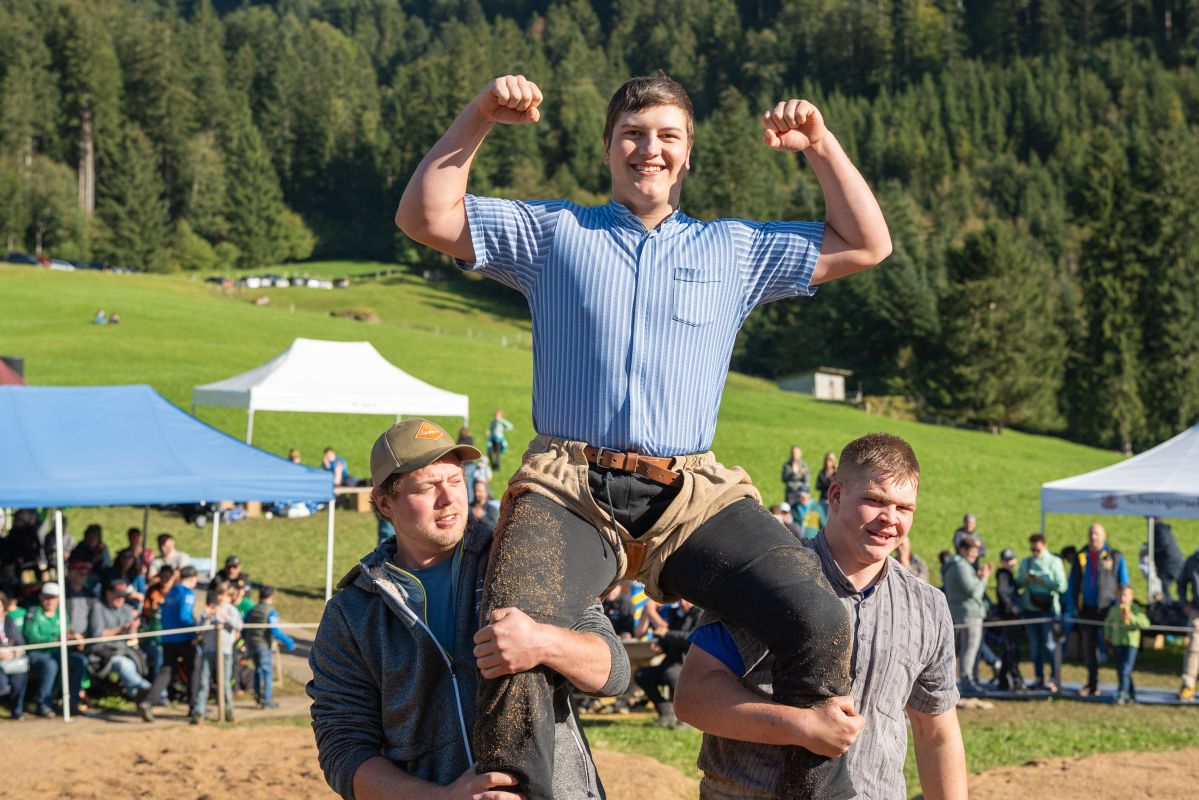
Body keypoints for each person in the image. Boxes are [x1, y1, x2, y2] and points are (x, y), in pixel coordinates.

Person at [397, 70, 892, 798]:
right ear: (607, 148)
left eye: (667, 136)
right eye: (632, 134)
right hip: (568, 484)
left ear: (688, 153)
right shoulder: (553, 233)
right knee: (510, 627)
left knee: (817, 612)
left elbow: (866, 242)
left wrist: (819, 144)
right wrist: (479, 115)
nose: (648, 149)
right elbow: (425, 216)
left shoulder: (735, 249)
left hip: (691, 491)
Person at [308, 418, 631, 800]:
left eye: (456, 480)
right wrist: (443, 798)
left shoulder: (527, 561)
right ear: (384, 502)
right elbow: (345, 750)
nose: (448, 499)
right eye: (427, 487)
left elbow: (614, 673)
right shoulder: (351, 615)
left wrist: (543, 643)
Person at [674, 433, 966, 800]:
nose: (890, 519)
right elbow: (694, 695)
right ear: (836, 496)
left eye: (904, 508)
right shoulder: (766, 576)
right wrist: (804, 727)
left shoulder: (928, 606)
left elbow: (935, 732)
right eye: (875, 500)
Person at [1068, 523, 1130, 697]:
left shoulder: (1115, 557)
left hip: (1109, 609)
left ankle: (1123, 687)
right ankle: (1092, 684)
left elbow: (1124, 582)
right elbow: (1072, 583)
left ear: (1104, 536)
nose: (1093, 537)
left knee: (1116, 648)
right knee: (1089, 648)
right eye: (1091, 534)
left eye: (1096, 534)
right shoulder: (1081, 556)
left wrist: (1122, 605)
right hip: (1087, 609)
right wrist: (1073, 605)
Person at [22, 582, 89, 717]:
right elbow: (32, 637)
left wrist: (74, 640)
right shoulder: (33, 612)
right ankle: (43, 704)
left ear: (58, 599)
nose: (50, 601)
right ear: (41, 597)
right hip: (37, 653)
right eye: (47, 597)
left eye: (53, 598)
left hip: (59, 652)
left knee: (79, 661)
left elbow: (66, 633)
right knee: (51, 665)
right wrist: (55, 639)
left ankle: (72, 702)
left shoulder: (62, 613)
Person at [145, 564, 201, 722]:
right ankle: (194, 707)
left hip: (168, 638)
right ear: (193, 579)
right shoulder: (187, 593)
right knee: (194, 669)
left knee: (166, 670)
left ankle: (148, 702)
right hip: (183, 639)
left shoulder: (171, 592)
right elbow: (184, 616)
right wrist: (193, 634)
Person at [633, 598, 702, 727]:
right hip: (671, 663)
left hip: (689, 665)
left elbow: (692, 639)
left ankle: (687, 717)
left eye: (686, 600)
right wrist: (661, 646)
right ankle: (666, 711)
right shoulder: (676, 614)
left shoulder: (700, 614)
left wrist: (667, 633)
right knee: (641, 675)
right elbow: (668, 638)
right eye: (680, 600)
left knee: (671, 674)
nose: (683, 603)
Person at [85, 579, 152, 707]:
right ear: (108, 593)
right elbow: (97, 636)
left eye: (123, 596)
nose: (121, 599)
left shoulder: (126, 609)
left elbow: (131, 638)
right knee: (123, 663)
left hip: (124, 649)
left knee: (137, 660)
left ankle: (141, 696)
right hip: (102, 652)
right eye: (117, 595)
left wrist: (131, 630)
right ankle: (150, 691)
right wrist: (120, 630)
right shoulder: (98, 607)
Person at [942, 534, 993, 695]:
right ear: (963, 550)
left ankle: (972, 680)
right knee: (970, 649)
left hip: (967, 612)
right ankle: (967, 681)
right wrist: (984, 579)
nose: (975, 555)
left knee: (972, 648)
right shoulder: (961, 566)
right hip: (968, 614)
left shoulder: (959, 565)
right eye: (973, 551)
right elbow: (973, 591)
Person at [1017, 533, 1066, 692]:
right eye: (1032, 549)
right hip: (1030, 610)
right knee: (1035, 646)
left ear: (1045, 546)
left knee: (1050, 645)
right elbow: (1017, 582)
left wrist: (1043, 581)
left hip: (1049, 611)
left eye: (1037, 550)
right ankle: (1039, 678)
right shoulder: (1026, 562)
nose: (1035, 553)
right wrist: (1026, 579)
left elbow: (1062, 585)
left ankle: (1055, 678)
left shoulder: (1054, 562)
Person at [195, 581, 242, 723]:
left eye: (225, 595)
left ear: (230, 597)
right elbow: (200, 629)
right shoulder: (210, 608)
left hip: (225, 651)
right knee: (204, 681)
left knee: (225, 682)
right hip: (208, 649)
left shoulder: (232, 610)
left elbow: (239, 625)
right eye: (219, 594)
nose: (221, 597)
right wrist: (206, 616)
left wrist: (225, 616)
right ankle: (199, 712)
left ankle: (228, 711)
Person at [244, 584, 295, 709]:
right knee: (267, 672)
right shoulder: (270, 611)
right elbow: (274, 630)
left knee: (258, 669)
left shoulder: (252, 610)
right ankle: (267, 699)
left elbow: (244, 626)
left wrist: (245, 640)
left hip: (251, 644)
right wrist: (288, 642)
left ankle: (258, 696)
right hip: (263, 645)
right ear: (271, 596)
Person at [1103, 585, 1150, 704]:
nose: (1123, 598)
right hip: (1117, 642)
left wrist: (1131, 617)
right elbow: (1108, 623)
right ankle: (1131, 693)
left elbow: (1145, 623)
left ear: (1131, 597)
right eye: (1120, 595)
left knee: (1126, 669)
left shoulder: (1135, 609)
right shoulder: (1114, 610)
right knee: (1121, 670)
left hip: (1131, 644)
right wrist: (1108, 635)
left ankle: (1122, 693)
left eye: (1125, 595)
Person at [992, 549, 1025, 692]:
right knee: (1012, 649)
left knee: (1008, 649)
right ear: (1002, 562)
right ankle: (1016, 679)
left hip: (1010, 615)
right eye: (1007, 560)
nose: (1010, 563)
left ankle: (1003, 680)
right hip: (1008, 617)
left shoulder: (1008, 575)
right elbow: (1002, 592)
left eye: (1012, 560)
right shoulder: (1003, 575)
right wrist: (1012, 607)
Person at [1176, 545, 1199, 702]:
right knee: (1193, 648)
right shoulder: (1192, 561)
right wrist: (1184, 603)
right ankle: (1188, 684)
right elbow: (1181, 584)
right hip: (1196, 611)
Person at [0, 605, 28, 720]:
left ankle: (17, 711)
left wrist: (15, 652)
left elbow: (20, 642)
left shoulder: (9, 622)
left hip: (12, 661)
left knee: (19, 678)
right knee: (3, 686)